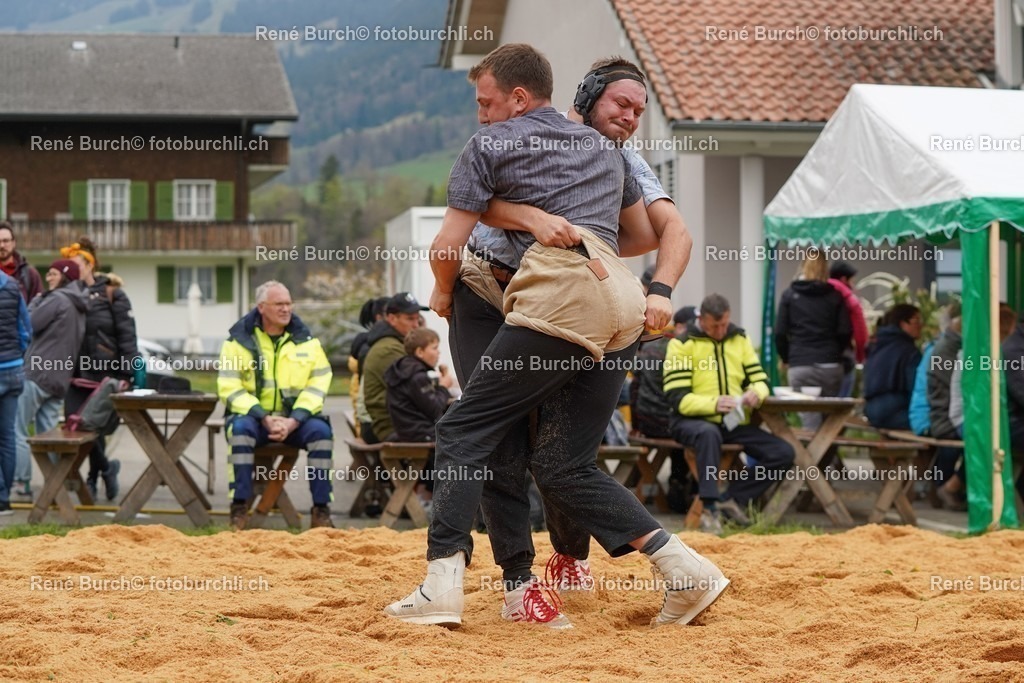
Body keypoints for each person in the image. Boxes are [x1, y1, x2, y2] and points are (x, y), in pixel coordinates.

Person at [385, 44, 727, 630]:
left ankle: (447, 581)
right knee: (563, 463)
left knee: (468, 430)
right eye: (623, 102)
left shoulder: (490, 144)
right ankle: (684, 568)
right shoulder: (608, 154)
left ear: (518, 97)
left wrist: (442, 291)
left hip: (538, 301)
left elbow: (445, 249)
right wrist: (539, 217)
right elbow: (642, 234)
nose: (480, 113)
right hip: (616, 303)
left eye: (486, 102)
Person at [666, 294, 796, 534]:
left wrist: (756, 392)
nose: (721, 330)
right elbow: (678, 399)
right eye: (716, 326)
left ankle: (731, 499)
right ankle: (710, 508)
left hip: (731, 422)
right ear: (702, 321)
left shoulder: (739, 339)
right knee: (708, 434)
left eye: (725, 323)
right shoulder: (682, 344)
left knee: (783, 452)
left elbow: (760, 379)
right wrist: (714, 404)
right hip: (691, 422)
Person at [217, 281, 336, 530]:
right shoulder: (237, 342)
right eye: (279, 304)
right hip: (254, 419)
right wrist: (263, 416)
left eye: (288, 303)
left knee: (322, 434)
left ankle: (321, 510)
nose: (286, 309)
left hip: (296, 420)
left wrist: (295, 419)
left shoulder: (307, 341)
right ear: (261, 307)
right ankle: (239, 506)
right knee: (239, 433)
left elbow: (319, 383)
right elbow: (229, 387)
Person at [61, 238, 140, 501]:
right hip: (75, 373)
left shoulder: (112, 293)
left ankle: (93, 479)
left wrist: (128, 372)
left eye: (75, 265)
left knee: (94, 426)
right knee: (77, 425)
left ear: (89, 265)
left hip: (106, 372)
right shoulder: (66, 293)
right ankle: (107, 468)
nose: (70, 271)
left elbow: (127, 336)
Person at [14, 260, 89, 494]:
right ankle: (56, 486)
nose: (48, 277)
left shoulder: (56, 299)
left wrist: (36, 300)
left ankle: (21, 484)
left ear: (65, 276)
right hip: (59, 379)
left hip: (37, 374)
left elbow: (29, 324)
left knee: (18, 429)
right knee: (48, 433)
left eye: (54, 273)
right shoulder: (79, 304)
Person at [775, 251, 851, 428]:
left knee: (809, 419)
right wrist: (835, 352)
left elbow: (780, 333)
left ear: (803, 266)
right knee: (829, 422)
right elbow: (845, 331)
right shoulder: (835, 296)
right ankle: (824, 455)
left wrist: (787, 357)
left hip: (800, 364)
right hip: (830, 365)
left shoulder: (790, 295)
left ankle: (811, 454)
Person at [360, 292, 426, 444]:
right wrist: (441, 386)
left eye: (418, 319)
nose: (416, 325)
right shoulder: (390, 349)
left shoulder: (396, 344)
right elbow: (414, 391)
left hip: (398, 422)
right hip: (389, 426)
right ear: (391, 319)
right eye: (410, 319)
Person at [926, 302, 966, 509]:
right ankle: (945, 486)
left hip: (943, 414)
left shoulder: (949, 346)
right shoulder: (945, 351)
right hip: (943, 418)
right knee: (980, 441)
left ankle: (944, 486)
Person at [0, 266, 31, 515]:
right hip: (12, 370)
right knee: (8, 436)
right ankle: (4, 498)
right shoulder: (12, 286)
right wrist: (16, 356)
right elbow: (25, 331)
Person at [863, 304, 923, 430]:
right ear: (903, 324)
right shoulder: (909, 352)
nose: (921, 325)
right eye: (916, 321)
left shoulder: (876, 345)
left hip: (871, 411)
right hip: (897, 412)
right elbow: (916, 388)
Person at [348, 296, 390, 438]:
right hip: (369, 424)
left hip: (367, 422)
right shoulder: (373, 350)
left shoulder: (369, 346)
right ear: (379, 317)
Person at [828, 261, 869, 397]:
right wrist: (860, 355)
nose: (853, 284)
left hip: (812, 359)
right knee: (840, 408)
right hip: (842, 359)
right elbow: (860, 331)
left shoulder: (816, 293)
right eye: (852, 280)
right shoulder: (848, 299)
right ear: (844, 279)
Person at [0, 222, 44, 304]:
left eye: (5, 241)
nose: (2, 245)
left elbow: (38, 307)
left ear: (13, 243)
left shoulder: (29, 274)